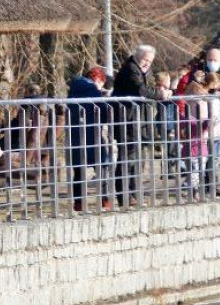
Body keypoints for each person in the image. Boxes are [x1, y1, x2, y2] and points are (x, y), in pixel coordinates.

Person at [111, 44, 156, 205]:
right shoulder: (130, 69)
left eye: (150, 61)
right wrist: (160, 95)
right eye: (145, 60)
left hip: (137, 121)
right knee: (127, 160)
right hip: (127, 122)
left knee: (138, 161)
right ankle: (124, 196)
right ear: (137, 57)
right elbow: (141, 90)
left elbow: (146, 88)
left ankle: (135, 195)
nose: (147, 64)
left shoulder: (141, 70)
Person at [67, 66, 110, 212]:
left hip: (75, 134)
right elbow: (104, 112)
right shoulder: (93, 90)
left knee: (78, 170)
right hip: (92, 133)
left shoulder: (73, 88)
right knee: (103, 165)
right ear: (98, 79)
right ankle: (105, 199)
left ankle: (78, 202)